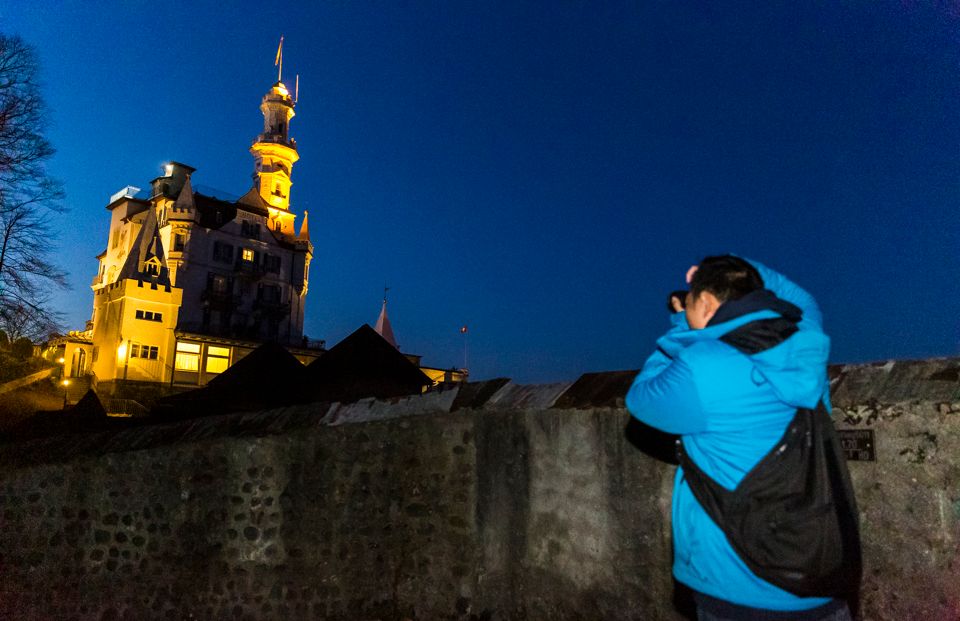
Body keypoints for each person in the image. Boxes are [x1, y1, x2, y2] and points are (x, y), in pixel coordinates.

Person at [626, 255, 852, 621]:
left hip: (737, 582)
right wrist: (734, 268)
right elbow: (804, 299)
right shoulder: (806, 340)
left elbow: (641, 399)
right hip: (818, 573)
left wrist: (679, 327)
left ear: (707, 303)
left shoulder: (702, 363)